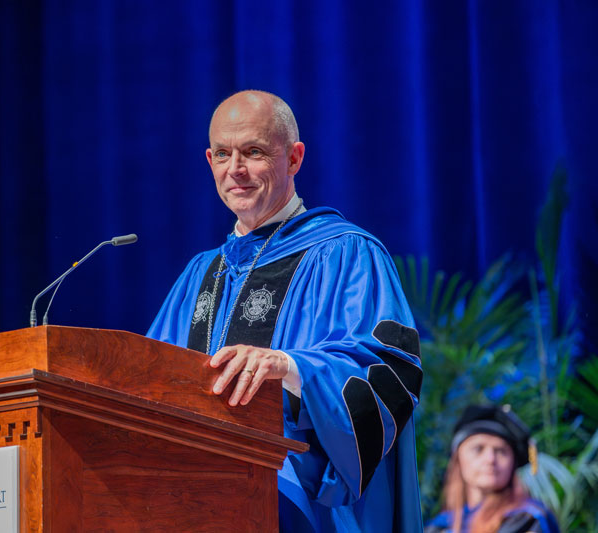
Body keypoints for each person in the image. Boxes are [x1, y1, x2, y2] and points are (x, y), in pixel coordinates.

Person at [147, 90, 423, 531]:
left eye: (253, 152)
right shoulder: (199, 274)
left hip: (305, 511)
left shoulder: (346, 253)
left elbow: (387, 371)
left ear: (294, 159)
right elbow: (142, 383)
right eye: (223, 154)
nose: (235, 170)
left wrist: (290, 366)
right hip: (196, 504)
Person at [424, 404, 559, 533]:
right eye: (478, 449)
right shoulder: (439, 526)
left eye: (500, 451)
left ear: (513, 463)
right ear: (458, 459)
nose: (490, 459)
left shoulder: (527, 519)